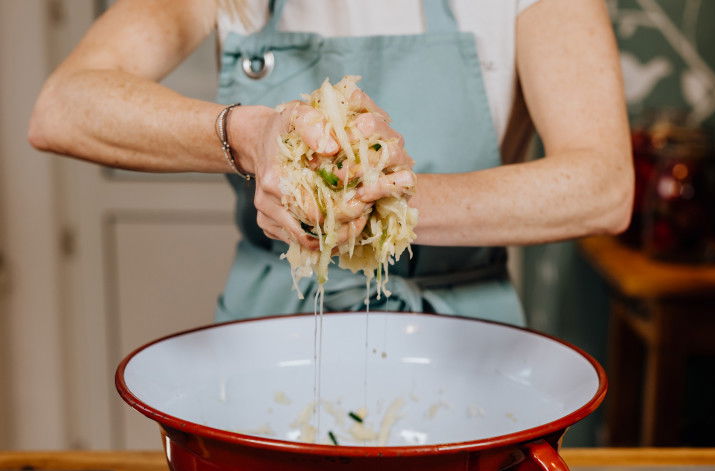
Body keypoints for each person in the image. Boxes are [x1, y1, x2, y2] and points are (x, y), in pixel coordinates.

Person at [28, 0, 633, 326]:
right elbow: (65, 105)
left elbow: (602, 185)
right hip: (269, 326)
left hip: (466, 332)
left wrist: (375, 202)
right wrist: (251, 134)